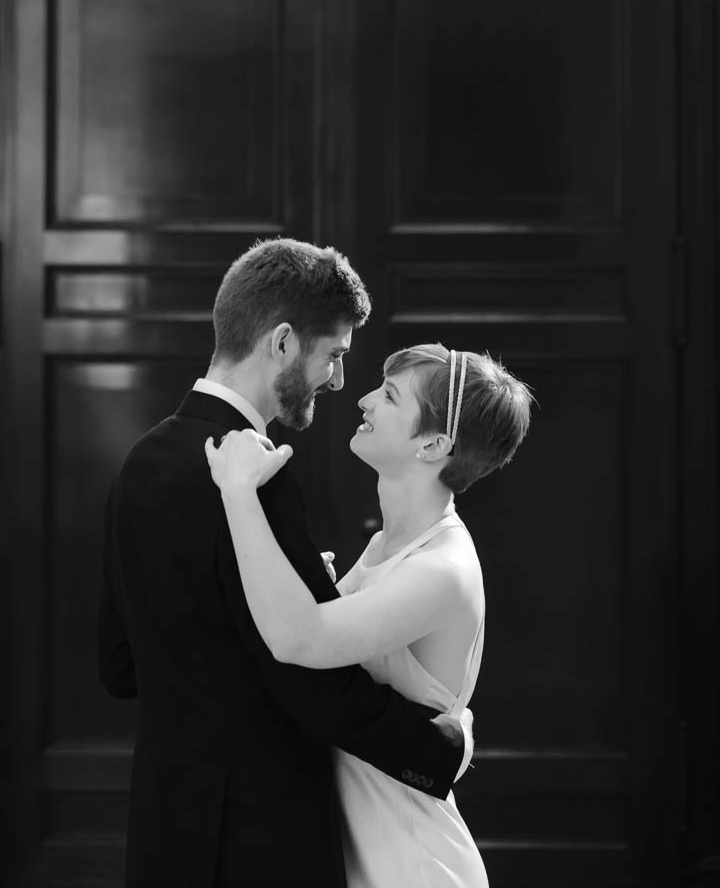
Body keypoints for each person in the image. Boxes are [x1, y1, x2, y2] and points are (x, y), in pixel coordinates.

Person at [98, 240, 473, 888]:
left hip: (163, 826)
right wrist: (438, 749)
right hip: (261, 834)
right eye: (332, 355)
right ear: (281, 343)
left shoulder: (141, 462)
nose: (336, 380)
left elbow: (118, 664)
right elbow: (309, 678)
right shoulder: (258, 476)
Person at [206, 341, 533, 888]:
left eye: (388, 395)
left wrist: (239, 493)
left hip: (409, 864)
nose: (362, 400)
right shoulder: (387, 545)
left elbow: (298, 640)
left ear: (434, 444)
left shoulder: (442, 570)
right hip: (356, 853)